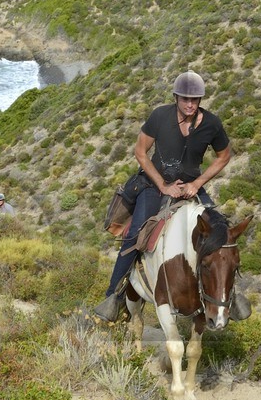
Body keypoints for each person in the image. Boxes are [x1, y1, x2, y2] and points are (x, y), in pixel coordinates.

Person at [93, 70, 234, 322]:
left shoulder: (212, 124)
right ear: (176, 97)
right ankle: (113, 297)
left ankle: (231, 298)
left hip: (190, 186)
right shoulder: (160, 116)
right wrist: (163, 185)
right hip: (153, 185)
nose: (190, 104)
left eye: (195, 99)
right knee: (136, 233)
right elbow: (140, 153)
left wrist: (198, 182)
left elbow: (224, 156)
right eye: (185, 99)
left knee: (221, 231)